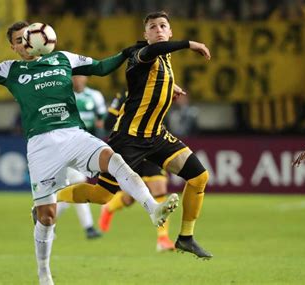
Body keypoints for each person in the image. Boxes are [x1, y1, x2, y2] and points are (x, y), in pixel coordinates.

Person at [0, 21, 179, 285]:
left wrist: (126, 53)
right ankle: (44, 273)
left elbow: (101, 67)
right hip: (41, 145)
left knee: (114, 160)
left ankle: (153, 209)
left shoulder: (63, 59)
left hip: (73, 133)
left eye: (29, 36)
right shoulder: (9, 70)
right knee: (47, 216)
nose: (27, 42)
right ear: (14, 47)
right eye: (19, 41)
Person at [59, 11, 213, 259]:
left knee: (199, 177)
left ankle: (186, 237)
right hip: (128, 139)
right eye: (152, 27)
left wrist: (169, 86)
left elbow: (153, 79)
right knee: (101, 195)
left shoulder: (165, 59)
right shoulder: (141, 54)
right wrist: (190, 44)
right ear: (145, 35)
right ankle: (50, 198)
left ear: (170, 31)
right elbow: (149, 55)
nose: (159, 30)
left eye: (163, 26)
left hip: (157, 136)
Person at [100, 90, 185, 252]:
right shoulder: (125, 95)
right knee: (130, 198)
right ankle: (109, 207)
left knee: (159, 186)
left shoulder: (159, 91)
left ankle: (162, 239)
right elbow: (108, 122)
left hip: (152, 145)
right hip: (131, 147)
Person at [55, 75, 108, 240]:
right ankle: (89, 228)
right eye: (75, 76)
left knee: (69, 191)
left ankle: (45, 220)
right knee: (78, 186)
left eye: (81, 76)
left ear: (86, 78)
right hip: (66, 148)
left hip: (84, 149)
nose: (78, 79)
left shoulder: (95, 96)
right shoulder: (62, 96)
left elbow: (101, 122)